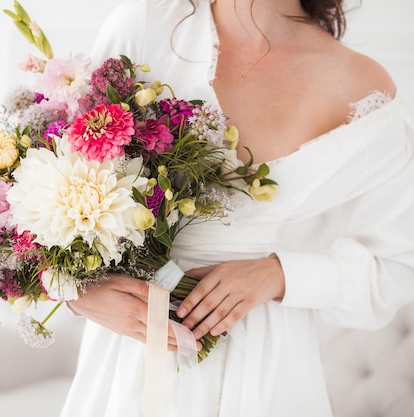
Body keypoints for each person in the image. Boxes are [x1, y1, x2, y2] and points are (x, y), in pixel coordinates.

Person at [61, 0, 414, 416]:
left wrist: (278, 275)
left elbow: (399, 265)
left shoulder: (360, 86)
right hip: (132, 347)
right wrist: (75, 291)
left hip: (264, 353)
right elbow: (57, 188)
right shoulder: (145, 27)